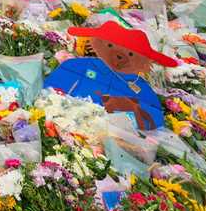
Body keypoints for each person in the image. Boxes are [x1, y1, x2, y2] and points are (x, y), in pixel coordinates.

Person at [44, 19, 177, 130]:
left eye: (131, 54)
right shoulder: (79, 66)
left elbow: (153, 120)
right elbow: (50, 91)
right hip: (61, 121)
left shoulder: (140, 88)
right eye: (111, 46)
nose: (120, 57)